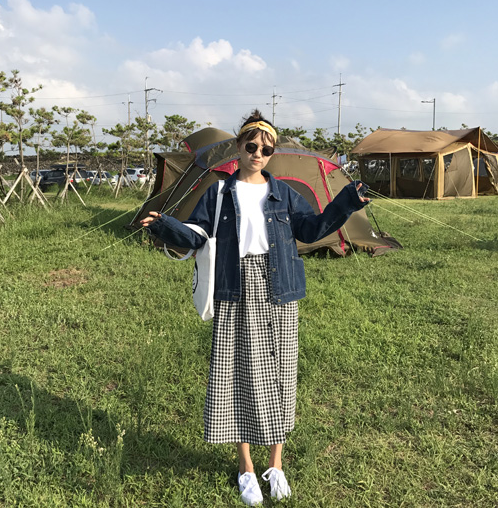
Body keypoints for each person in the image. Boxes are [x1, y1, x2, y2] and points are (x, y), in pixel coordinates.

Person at [140, 110, 370, 506]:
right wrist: (166, 226)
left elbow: (312, 229)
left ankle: (276, 465)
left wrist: (347, 201)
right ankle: (246, 468)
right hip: (234, 285)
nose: (258, 154)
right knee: (237, 375)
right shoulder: (218, 193)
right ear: (239, 147)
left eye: (266, 149)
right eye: (251, 146)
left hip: (278, 289)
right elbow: (197, 235)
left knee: (280, 376)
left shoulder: (284, 194)